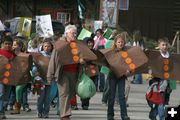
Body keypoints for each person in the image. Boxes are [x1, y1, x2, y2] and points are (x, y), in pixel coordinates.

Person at [47, 25, 95, 120]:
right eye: (72, 33)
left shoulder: (78, 44)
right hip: (62, 73)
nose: (74, 34)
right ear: (67, 33)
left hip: (74, 73)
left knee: (71, 93)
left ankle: (64, 112)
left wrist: (82, 61)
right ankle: (65, 115)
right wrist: (50, 75)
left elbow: (85, 57)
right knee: (64, 93)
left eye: (75, 33)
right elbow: (53, 60)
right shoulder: (60, 44)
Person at [107, 34, 130, 120]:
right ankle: (110, 115)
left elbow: (129, 64)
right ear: (115, 43)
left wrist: (128, 71)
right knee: (111, 96)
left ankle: (124, 115)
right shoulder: (111, 52)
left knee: (121, 96)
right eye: (119, 42)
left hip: (122, 76)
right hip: (112, 76)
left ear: (124, 43)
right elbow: (107, 63)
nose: (120, 43)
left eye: (122, 42)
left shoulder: (126, 53)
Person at [147, 38, 171, 120]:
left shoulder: (170, 56)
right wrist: (151, 73)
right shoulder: (155, 56)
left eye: (166, 45)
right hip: (157, 83)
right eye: (163, 45)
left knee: (163, 101)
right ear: (159, 46)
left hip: (166, 83)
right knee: (160, 101)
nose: (165, 46)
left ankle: (153, 114)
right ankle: (161, 117)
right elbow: (150, 66)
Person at [0, 36, 15, 119]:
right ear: (2, 44)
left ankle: (2, 109)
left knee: (6, 96)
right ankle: (1, 112)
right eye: (6, 44)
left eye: (9, 44)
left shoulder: (13, 54)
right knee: (1, 94)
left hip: (9, 77)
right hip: (0, 77)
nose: (8, 45)